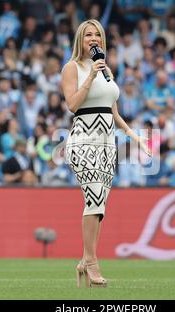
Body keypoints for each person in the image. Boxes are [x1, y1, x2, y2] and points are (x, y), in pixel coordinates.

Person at [61, 19, 151, 288]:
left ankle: (83, 260)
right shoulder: (72, 67)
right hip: (82, 138)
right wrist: (90, 75)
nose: (93, 39)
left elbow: (113, 113)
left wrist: (136, 137)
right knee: (94, 197)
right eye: (88, 34)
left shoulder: (107, 70)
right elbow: (72, 104)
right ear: (80, 39)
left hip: (107, 141)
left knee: (99, 205)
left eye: (97, 35)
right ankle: (91, 263)